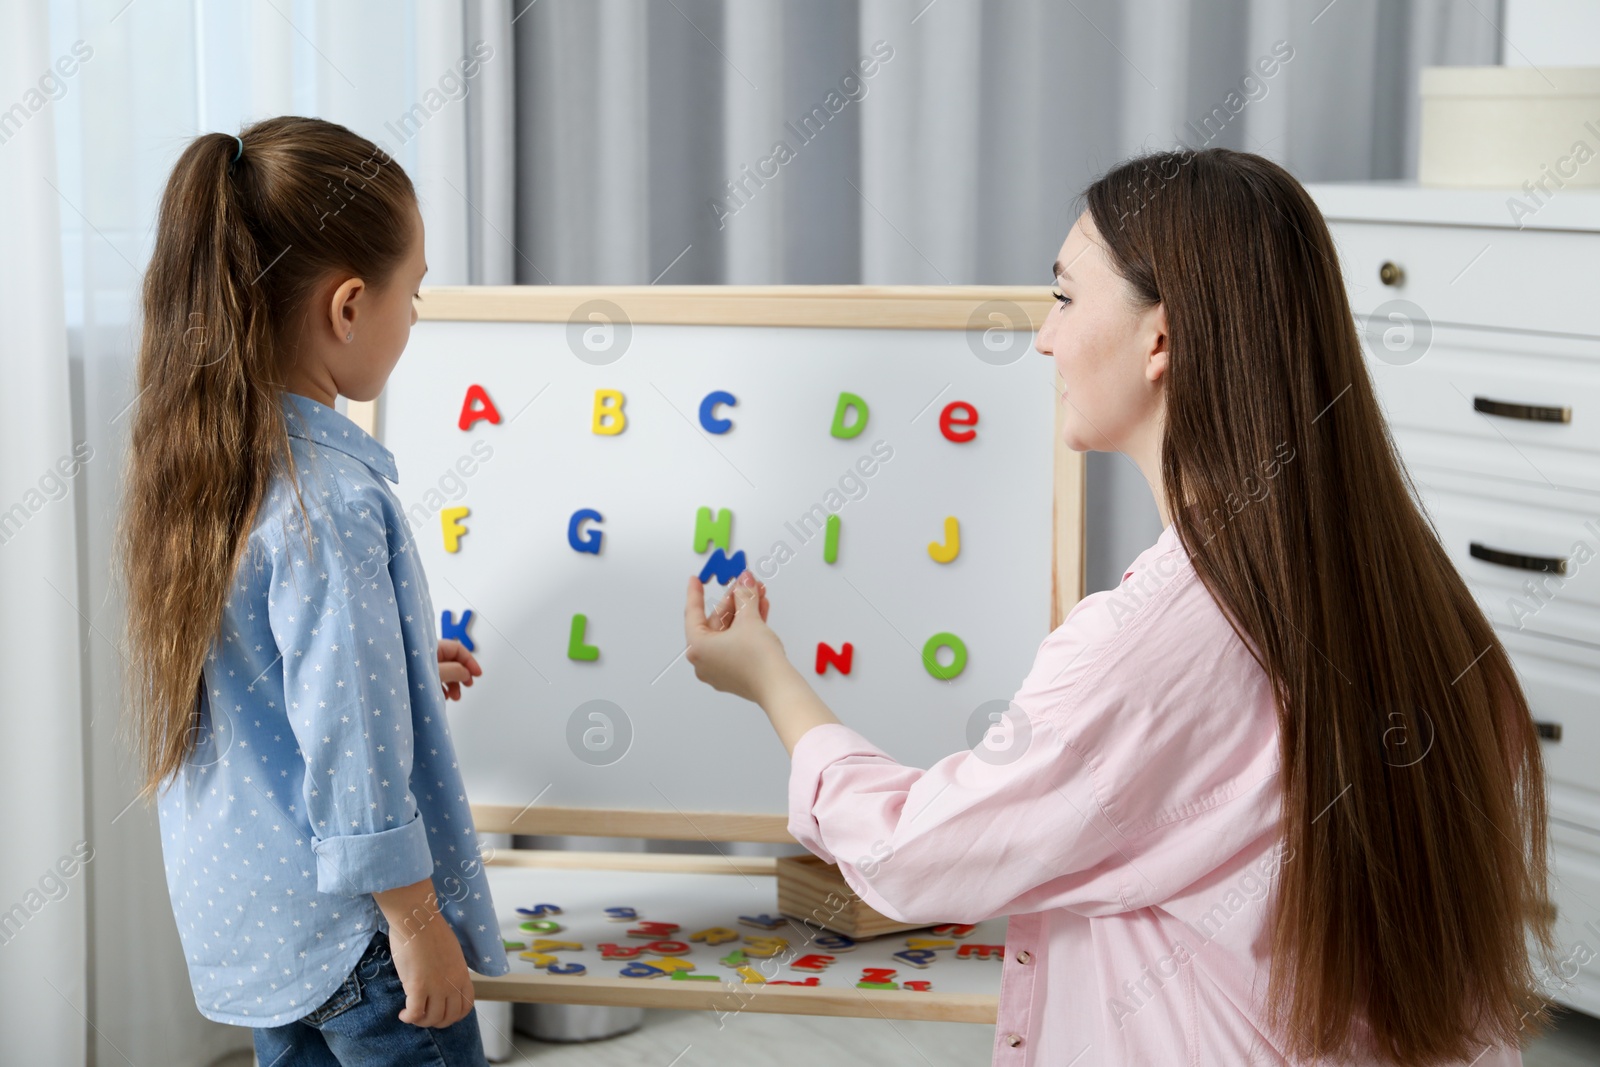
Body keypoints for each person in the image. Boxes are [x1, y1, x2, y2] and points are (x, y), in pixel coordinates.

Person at [683, 148, 1554, 1066]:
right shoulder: (1419, 600)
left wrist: (769, 678)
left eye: (1064, 297)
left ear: (1161, 340)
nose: (1044, 339)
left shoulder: (1149, 644)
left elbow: (912, 852)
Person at [118, 116, 505, 1066]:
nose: (414, 318)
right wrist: (415, 919)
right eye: (411, 295)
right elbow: (351, 734)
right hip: (361, 932)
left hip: (255, 914)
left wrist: (406, 665)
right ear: (347, 307)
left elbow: (274, 673)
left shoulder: (202, 464)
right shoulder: (328, 498)